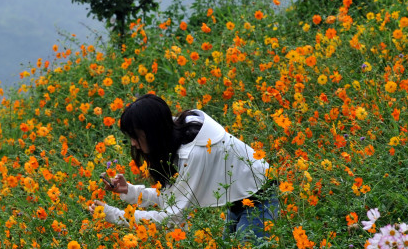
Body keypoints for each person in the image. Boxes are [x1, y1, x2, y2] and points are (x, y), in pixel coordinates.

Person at [91, 94, 276, 240]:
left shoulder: (195, 153)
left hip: (260, 198)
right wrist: (130, 191)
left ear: (152, 132)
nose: (133, 144)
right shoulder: (174, 133)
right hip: (239, 199)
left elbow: (172, 219)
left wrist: (114, 215)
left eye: (135, 136)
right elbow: (172, 196)